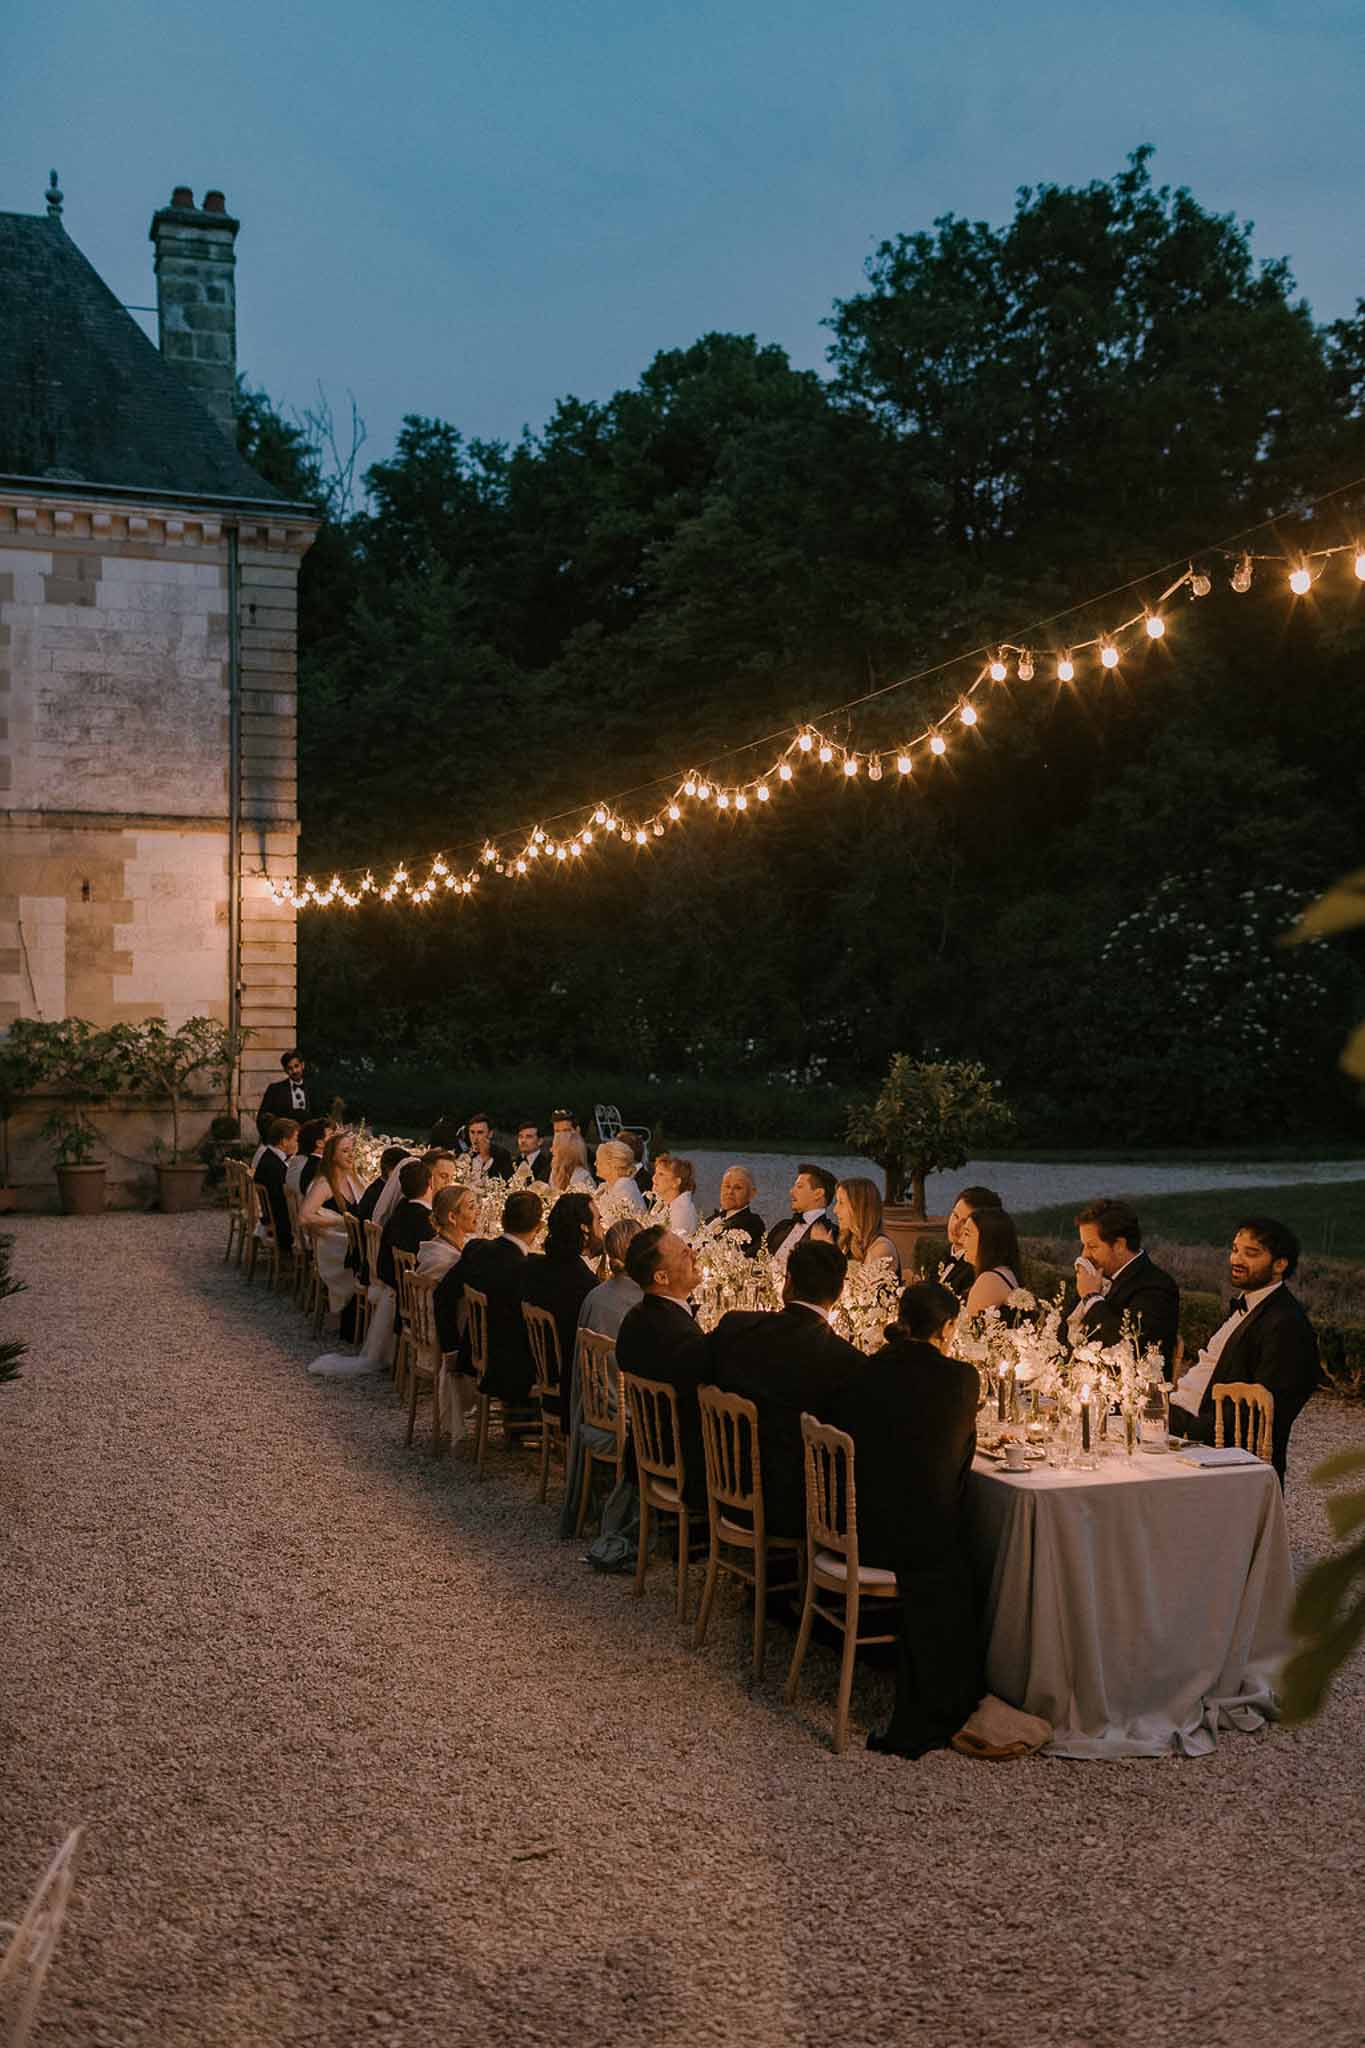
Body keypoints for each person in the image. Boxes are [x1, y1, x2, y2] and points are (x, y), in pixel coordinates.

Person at [845, 1281, 983, 1759]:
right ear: (947, 1329)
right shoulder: (963, 1380)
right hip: (913, 1545)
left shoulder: (869, 1367)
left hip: (856, 1526)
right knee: (970, 1549)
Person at [708, 1239, 866, 1541]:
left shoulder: (736, 1327)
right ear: (840, 1293)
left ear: (788, 1283)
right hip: (796, 1509)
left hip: (726, 1486)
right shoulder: (847, 1361)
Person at [1170, 1217, 1320, 1485]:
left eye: (1251, 1253)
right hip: (1178, 1417)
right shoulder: (1247, 1305)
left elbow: (1266, 1409)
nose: (1236, 1259)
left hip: (1212, 1446)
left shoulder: (1285, 1323)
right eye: (1235, 1249)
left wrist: (1186, 1431)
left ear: (1280, 1264)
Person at [615, 1227, 710, 1509]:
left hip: (645, 1451)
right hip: (680, 1461)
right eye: (684, 1253)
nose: (694, 1254)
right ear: (661, 1277)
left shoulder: (635, 1317)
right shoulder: (682, 1336)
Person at [443, 1189, 544, 1403]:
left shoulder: (477, 1249)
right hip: (509, 1366)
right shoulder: (526, 1270)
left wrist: (450, 1348)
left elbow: (442, 1294)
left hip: (476, 1351)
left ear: (502, 1219)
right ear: (539, 1227)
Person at [1071, 1198, 1181, 1376]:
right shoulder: (1096, 1276)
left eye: (1092, 1246)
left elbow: (1129, 1347)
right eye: (1084, 1246)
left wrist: (1091, 1297)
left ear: (1120, 1245)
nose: (1084, 1255)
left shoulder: (1157, 1287)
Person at [520, 1193, 602, 1428]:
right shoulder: (583, 1285)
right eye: (598, 1220)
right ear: (584, 1229)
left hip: (541, 1369)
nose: (602, 1227)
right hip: (569, 1385)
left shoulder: (535, 1267)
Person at [299, 1129, 365, 1318]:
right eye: (344, 1151)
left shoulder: (354, 1179)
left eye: (352, 1150)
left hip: (349, 1240)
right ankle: (359, 1313)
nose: (351, 1155)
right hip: (334, 1246)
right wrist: (339, 1221)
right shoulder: (324, 1184)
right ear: (332, 1155)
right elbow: (303, 1217)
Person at [377, 1157, 437, 1291]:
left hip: (394, 1284)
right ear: (431, 1182)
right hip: (415, 1292)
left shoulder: (399, 1210)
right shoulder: (429, 1222)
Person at [766, 1165, 837, 1271]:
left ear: (818, 1194)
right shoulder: (783, 1226)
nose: (791, 1191)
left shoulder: (830, 1233)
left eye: (799, 1186)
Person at [940, 1186, 1003, 1300]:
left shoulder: (975, 1270)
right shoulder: (944, 1254)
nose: (955, 1226)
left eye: (965, 1222)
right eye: (955, 1216)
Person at [961, 1207, 1023, 1318]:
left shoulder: (989, 1280)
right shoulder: (1004, 1273)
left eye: (967, 1234)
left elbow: (969, 1331)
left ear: (987, 1241)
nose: (961, 1241)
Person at [834, 1176, 901, 1276]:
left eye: (841, 1203)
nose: (835, 1210)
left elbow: (863, 1288)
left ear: (860, 1208)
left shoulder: (881, 1248)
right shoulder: (848, 1243)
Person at [253, 1116, 299, 1252]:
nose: (298, 1143)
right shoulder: (273, 1166)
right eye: (296, 1139)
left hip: (272, 1216)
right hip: (281, 1224)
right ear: (284, 1141)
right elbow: (283, 1201)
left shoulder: (269, 1156)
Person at [704, 1165, 765, 1255]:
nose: (730, 1192)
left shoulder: (753, 1223)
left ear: (752, 1193)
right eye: (727, 1186)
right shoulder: (711, 1219)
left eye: (738, 1188)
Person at [257, 1049, 309, 1138]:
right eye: (290, 1068)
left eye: (296, 1066)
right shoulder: (275, 1090)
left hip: (308, 1140)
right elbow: (262, 1118)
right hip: (284, 1140)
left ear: (302, 1065)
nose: (294, 1071)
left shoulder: (314, 1089)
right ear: (285, 1070)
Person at [596, 1139, 646, 1222]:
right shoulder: (610, 1186)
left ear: (612, 1165)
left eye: (599, 1161)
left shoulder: (624, 1190)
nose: (595, 1164)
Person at [651, 1154, 700, 1237]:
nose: (654, 1178)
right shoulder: (663, 1204)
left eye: (661, 1174)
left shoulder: (682, 1211)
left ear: (676, 1182)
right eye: (655, 1173)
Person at [287, 1117, 331, 1199]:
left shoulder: (300, 1160)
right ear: (320, 1143)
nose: (335, 1139)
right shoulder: (318, 1168)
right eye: (331, 1135)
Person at [465, 1114, 513, 1185]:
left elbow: (507, 1183)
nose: (475, 1137)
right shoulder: (465, 1156)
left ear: (490, 1134)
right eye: (472, 1132)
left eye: (480, 1132)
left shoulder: (502, 1155)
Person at [549, 1129, 597, 1194]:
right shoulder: (555, 1172)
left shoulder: (583, 1177)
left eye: (555, 1146)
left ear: (564, 1152)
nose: (551, 1150)